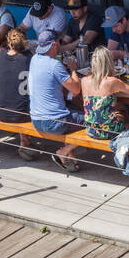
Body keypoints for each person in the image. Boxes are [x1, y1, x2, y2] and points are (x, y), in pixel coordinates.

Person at [28, 30, 84, 171]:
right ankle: (64, 152)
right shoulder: (54, 65)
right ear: (54, 44)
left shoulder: (34, 59)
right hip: (54, 122)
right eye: (58, 42)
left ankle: (70, 157)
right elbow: (76, 89)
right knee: (94, 123)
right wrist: (73, 69)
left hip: (36, 119)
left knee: (74, 111)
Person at [81, 46, 129, 139]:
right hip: (109, 131)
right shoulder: (112, 81)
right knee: (124, 115)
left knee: (117, 109)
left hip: (91, 130)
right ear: (109, 62)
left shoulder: (84, 81)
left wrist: (114, 94)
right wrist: (117, 93)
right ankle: (128, 136)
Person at [0, 28, 36, 160]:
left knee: (17, 96)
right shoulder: (28, 58)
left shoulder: (1, 56)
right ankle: (24, 140)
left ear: (9, 43)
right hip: (22, 113)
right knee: (24, 98)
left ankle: (24, 140)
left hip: (0, 111)